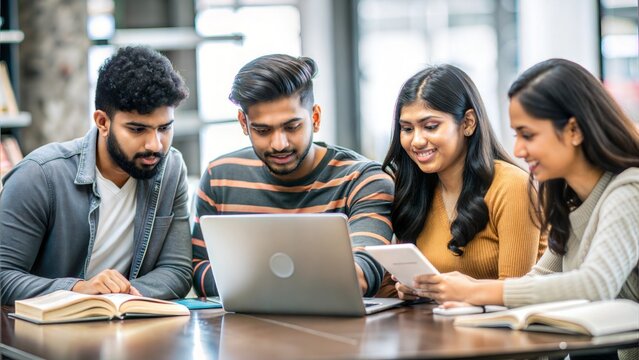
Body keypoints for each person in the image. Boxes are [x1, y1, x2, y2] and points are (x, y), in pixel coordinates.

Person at [398, 59, 638, 311]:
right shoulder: (567, 197)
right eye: (517, 135)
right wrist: (461, 296)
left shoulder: (630, 190)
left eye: (528, 135)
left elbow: (596, 284)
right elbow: (540, 278)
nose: (518, 150)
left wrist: (475, 290)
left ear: (574, 130)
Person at [0, 46, 192, 305]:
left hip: (127, 326)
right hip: (44, 336)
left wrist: (118, 298)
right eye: (137, 129)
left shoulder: (170, 168)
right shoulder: (40, 175)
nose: (155, 145)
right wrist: (78, 289)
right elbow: (3, 277)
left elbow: (177, 271)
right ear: (102, 122)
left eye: (165, 128)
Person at [191, 54, 394, 297]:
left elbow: (361, 274)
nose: (279, 144)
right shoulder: (220, 177)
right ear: (244, 123)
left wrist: (251, 280)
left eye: (292, 127)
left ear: (315, 118)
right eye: (262, 130)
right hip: (246, 328)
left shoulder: (364, 181)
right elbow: (200, 268)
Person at [381, 64, 545, 297]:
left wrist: (456, 290)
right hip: (439, 325)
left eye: (430, 126)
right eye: (407, 128)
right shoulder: (415, 189)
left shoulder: (513, 186)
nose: (416, 141)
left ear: (467, 123)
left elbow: (515, 294)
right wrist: (413, 289)